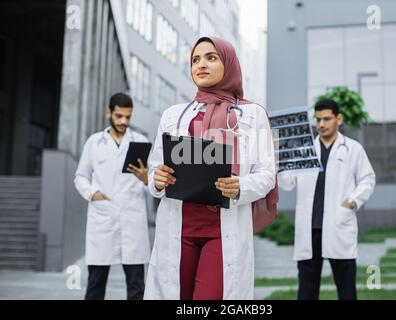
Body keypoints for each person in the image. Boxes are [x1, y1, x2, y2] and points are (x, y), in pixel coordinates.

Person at [143, 37, 277, 300]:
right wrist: (157, 178)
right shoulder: (174, 114)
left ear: (228, 63)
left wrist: (241, 186)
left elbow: (267, 174)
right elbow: (155, 166)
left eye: (211, 57)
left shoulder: (252, 115)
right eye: (195, 59)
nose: (201, 64)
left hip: (222, 230)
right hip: (178, 229)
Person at [278, 99, 376, 300]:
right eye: (318, 119)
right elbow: (287, 183)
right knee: (307, 289)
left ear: (338, 119)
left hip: (338, 224)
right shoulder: (305, 150)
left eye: (327, 119)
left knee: (346, 288)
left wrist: (351, 202)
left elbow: (368, 179)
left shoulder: (352, 148)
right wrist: (281, 159)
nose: (321, 124)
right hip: (310, 229)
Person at [74, 93, 151, 300]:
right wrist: (93, 194)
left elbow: (153, 184)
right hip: (103, 218)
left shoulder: (140, 141)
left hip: (132, 220)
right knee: (96, 284)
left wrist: (146, 178)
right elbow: (80, 177)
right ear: (108, 112)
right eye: (118, 116)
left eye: (127, 117)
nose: (123, 121)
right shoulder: (94, 142)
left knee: (136, 286)